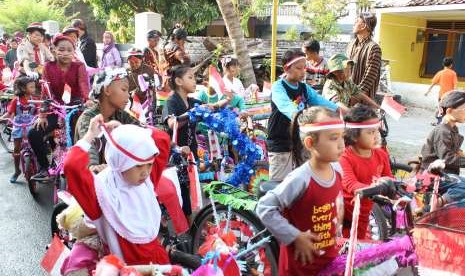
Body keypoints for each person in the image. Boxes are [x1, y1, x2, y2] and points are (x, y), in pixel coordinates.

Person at [64, 115, 171, 265]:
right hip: (127, 270)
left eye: (149, 164)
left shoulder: (145, 180)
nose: (146, 172)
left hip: (158, 265)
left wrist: (123, 131)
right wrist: (90, 135)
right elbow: (72, 166)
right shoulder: (101, 194)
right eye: (138, 165)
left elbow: (162, 139)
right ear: (120, 161)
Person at [257, 106, 345, 275]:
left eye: (342, 137)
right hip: (299, 267)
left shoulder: (338, 170)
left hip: (328, 262)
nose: (341, 144)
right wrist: (294, 236)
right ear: (310, 143)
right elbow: (264, 208)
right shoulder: (300, 178)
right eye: (334, 138)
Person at [266, 49, 340, 182]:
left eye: (304, 68)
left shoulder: (304, 88)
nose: (303, 71)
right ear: (286, 68)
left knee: (306, 179)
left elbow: (320, 101)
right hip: (280, 141)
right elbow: (286, 106)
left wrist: (340, 111)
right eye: (299, 68)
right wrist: (304, 118)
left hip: (299, 140)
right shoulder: (278, 86)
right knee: (279, 183)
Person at [29, 35, 90, 180]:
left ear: (74, 51)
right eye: (61, 49)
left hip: (76, 108)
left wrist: (87, 100)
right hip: (55, 108)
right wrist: (42, 114)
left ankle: (85, 169)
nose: (65, 53)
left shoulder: (79, 66)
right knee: (33, 133)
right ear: (54, 50)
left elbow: (83, 86)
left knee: (86, 138)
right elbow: (45, 92)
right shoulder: (48, 67)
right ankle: (45, 167)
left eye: (69, 50)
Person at [339, 104, 392, 239]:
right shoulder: (344, 157)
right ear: (354, 136)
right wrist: (376, 188)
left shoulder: (381, 155)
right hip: (347, 213)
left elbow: (388, 177)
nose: (376, 136)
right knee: (347, 248)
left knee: (361, 242)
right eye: (370, 132)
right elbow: (351, 184)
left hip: (366, 211)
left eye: (376, 131)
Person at [75, 67, 139, 174]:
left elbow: (140, 129)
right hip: (91, 179)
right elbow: (90, 145)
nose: (128, 95)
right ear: (107, 90)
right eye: (124, 89)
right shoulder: (88, 118)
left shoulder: (120, 114)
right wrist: (93, 165)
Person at [0, 76, 38, 183]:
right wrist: (2, 118)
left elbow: (38, 112)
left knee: (35, 145)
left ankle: (38, 165)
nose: (33, 89)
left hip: (31, 125)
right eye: (31, 87)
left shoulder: (34, 100)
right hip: (18, 126)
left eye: (34, 87)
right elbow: (9, 114)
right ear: (23, 88)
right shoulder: (15, 101)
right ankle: (17, 171)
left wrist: (40, 116)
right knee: (16, 149)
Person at [421, 91, 465, 175]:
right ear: (449, 111)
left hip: (448, 173)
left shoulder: (453, 128)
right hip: (436, 176)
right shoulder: (442, 131)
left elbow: (456, 150)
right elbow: (447, 158)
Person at [347, 12, 381, 100]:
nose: (354, 24)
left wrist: (356, 96)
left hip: (362, 101)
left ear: (364, 26)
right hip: (347, 95)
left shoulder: (374, 48)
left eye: (357, 21)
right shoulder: (351, 45)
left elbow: (369, 77)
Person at [424, 57, 458, 125]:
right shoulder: (453, 73)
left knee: (441, 109)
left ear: (443, 64)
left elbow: (433, 83)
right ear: (451, 65)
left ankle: (440, 122)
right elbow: (455, 85)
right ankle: (447, 123)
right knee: (448, 109)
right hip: (450, 96)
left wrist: (427, 91)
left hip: (441, 95)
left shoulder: (440, 73)